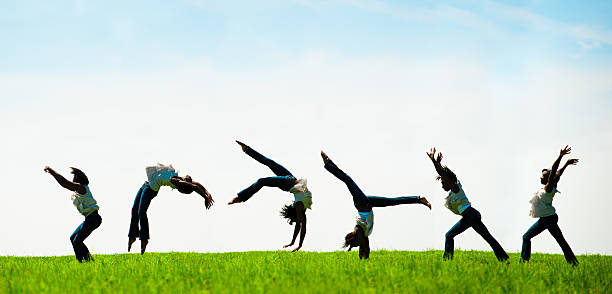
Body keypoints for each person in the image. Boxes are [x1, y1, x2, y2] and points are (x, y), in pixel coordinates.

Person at [321, 151, 431, 259]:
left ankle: (328, 163)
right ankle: (419, 199)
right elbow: (366, 246)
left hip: (363, 203)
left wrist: (361, 254)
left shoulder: (359, 231)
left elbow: (364, 246)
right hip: (365, 203)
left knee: (347, 179)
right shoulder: (362, 233)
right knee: (392, 201)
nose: (358, 246)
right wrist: (363, 257)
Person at [426, 147, 509, 261]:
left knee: (449, 235)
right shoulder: (454, 190)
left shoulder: (455, 188)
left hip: (470, 215)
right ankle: (504, 258)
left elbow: (442, 173)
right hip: (472, 215)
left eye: (443, 182)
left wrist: (433, 161)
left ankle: (447, 261)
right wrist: (438, 162)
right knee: (488, 238)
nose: (442, 185)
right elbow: (443, 173)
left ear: (448, 181)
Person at [228, 141, 311, 252]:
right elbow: (301, 227)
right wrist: (296, 243)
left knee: (262, 181)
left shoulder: (300, 207)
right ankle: (247, 149)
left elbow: (300, 227)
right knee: (269, 162)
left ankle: (241, 197)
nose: (292, 204)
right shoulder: (302, 210)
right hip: (290, 179)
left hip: (289, 183)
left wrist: (296, 243)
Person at [128, 163, 214, 254]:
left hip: (150, 189)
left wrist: (205, 197)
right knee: (134, 210)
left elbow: (195, 187)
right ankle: (133, 236)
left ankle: (144, 239)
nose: (190, 177)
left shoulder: (176, 181)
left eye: (189, 179)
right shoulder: (178, 177)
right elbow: (197, 185)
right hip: (145, 185)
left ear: (185, 182)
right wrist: (208, 194)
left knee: (141, 211)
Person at [521, 145, 579, 265]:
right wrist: (566, 164)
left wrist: (560, 156)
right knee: (526, 237)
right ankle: (524, 262)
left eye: (543, 175)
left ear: (548, 178)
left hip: (549, 220)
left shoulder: (548, 188)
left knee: (560, 241)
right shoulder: (549, 185)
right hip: (545, 219)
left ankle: (573, 263)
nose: (540, 177)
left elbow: (554, 170)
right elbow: (558, 173)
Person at [44, 166, 102, 262]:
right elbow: (66, 184)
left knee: (77, 241)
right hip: (89, 218)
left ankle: (87, 262)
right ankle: (84, 261)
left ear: (78, 180)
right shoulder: (79, 190)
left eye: (74, 178)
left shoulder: (82, 188)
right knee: (73, 238)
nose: (72, 180)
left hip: (93, 218)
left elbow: (64, 183)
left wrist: (52, 171)